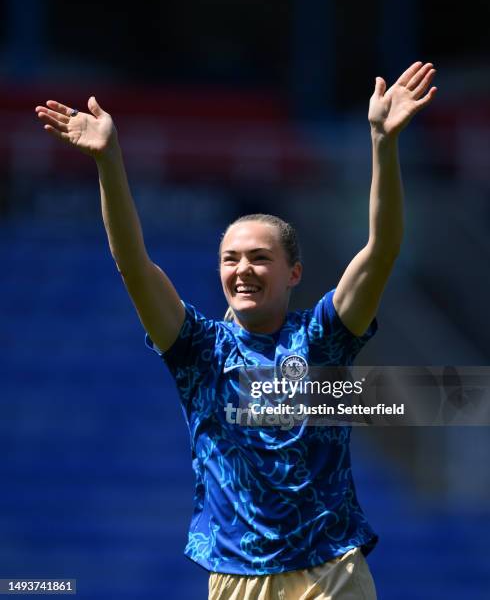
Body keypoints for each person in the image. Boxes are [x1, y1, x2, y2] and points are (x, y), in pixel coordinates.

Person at [35, 61, 437, 599]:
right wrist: (109, 162)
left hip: (331, 571)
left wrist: (382, 146)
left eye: (258, 257)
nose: (242, 269)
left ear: (293, 272)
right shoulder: (198, 350)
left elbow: (381, 250)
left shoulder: (322, 339)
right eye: (230, 258)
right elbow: (134, 264)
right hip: (235, 575)